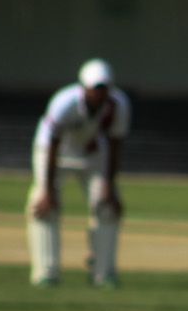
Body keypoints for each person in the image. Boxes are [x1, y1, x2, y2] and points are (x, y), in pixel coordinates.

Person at [26, 59, 131, 288]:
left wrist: (110, 186)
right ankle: (46, 273)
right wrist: (47, 190)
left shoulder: (118, 105)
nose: (100, 94)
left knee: (107, 206)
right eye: (95, 89)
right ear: (84, 87)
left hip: (92, 154)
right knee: (42, 205)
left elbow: (115, 145)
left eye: (104, 89)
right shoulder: (64, 102)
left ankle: (104, 273)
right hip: (54, 154)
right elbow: (52, 144)